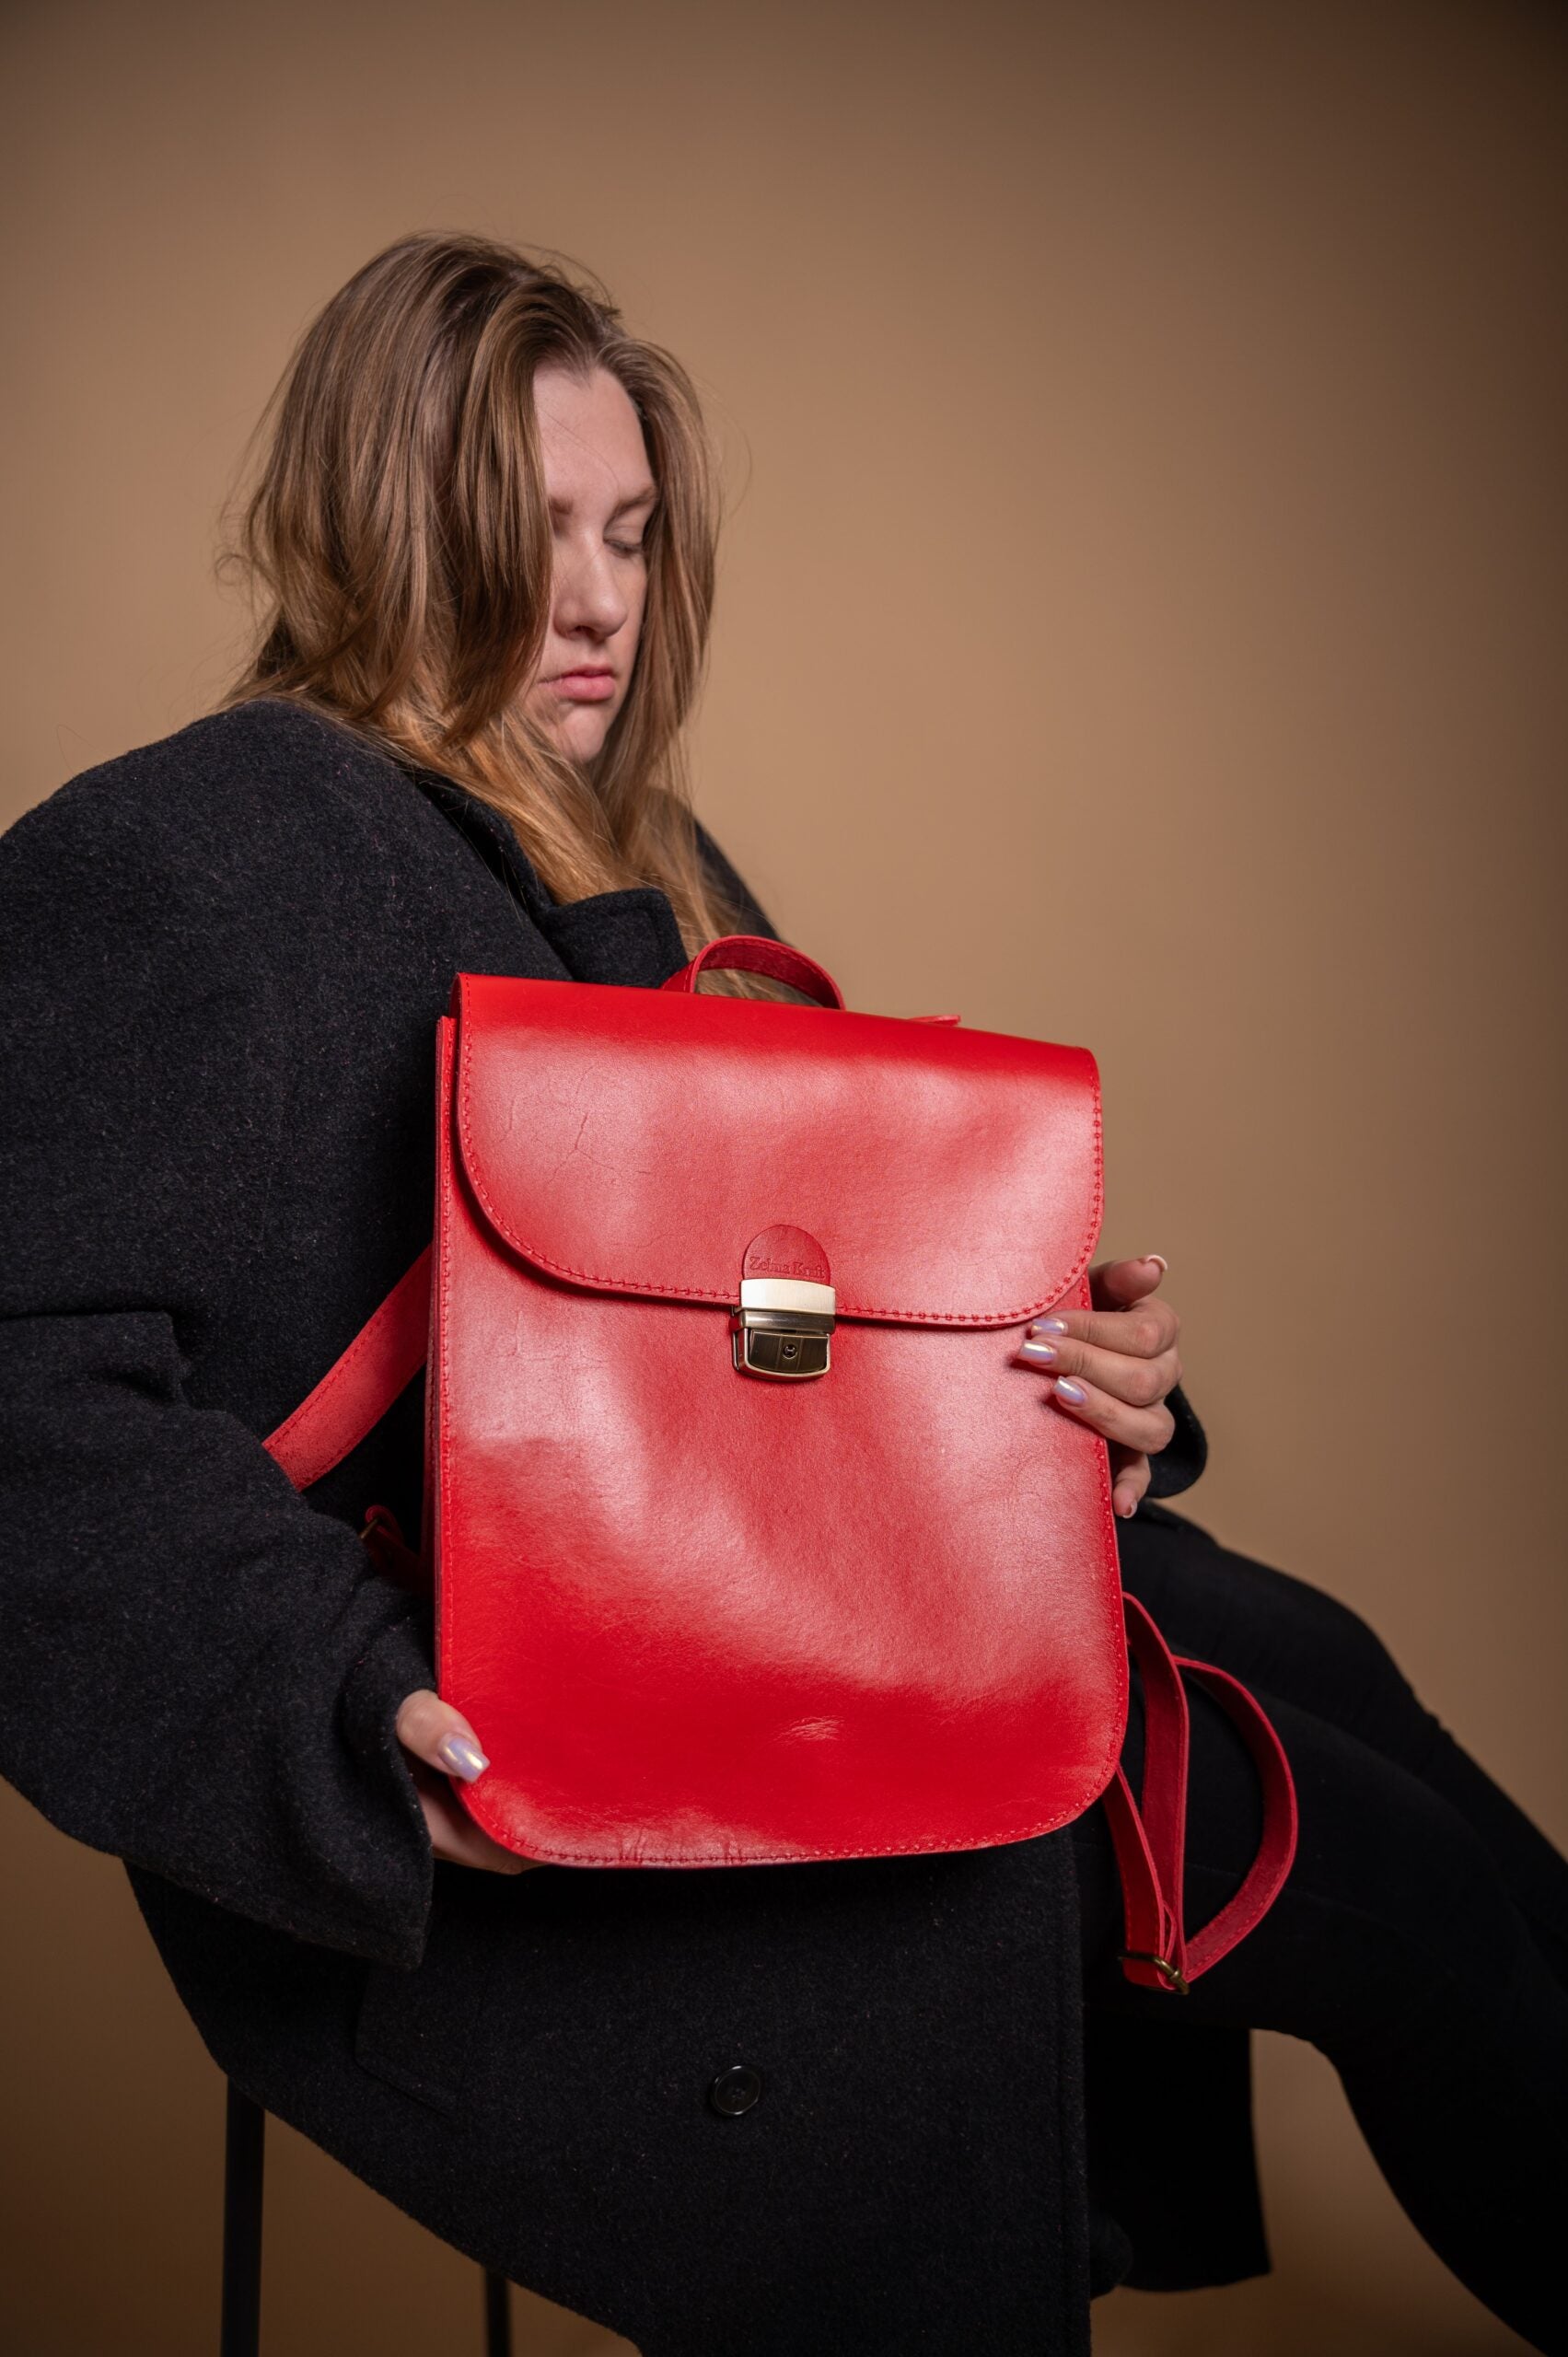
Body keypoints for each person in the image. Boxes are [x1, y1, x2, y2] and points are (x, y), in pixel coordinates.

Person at [1, 231, 1562, 2356]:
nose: (598, 600)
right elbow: (22, 1396)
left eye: (632, 532)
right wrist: (347, 1704)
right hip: (533, 1823)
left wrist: (1070, 1396)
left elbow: (793, 1327)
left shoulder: (626, 838)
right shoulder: (197, 848)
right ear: (374, 518)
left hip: (791, 1635)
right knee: (1420, 1913)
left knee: (1342, 1687)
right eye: (533, 526)